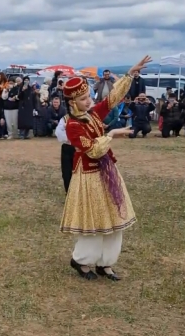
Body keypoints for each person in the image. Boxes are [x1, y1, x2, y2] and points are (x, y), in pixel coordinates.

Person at [60, 55, 152, 282]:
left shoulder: (92, 114)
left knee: (115, 217)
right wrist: (111, 134)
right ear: (72, 102)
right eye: (82, 99)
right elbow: (92, 150)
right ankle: (82, 261)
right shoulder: (71, 125)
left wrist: (130, 74)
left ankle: (106, 263)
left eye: (88, 96)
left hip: (107, 170)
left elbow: (112, 98)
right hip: (89, 174)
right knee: (95, 218)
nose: (88, 101)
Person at [54, 114, 73, 193]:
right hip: (68, 147)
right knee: (66, 172)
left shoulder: (87, 117)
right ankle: (69, 192)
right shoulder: (65, 118)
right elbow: (58, 132)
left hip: (82, 147)